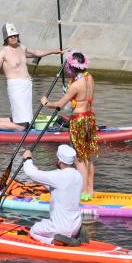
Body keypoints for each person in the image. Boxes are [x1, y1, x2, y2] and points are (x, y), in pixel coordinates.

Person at [0, 22, 65, 131]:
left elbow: (36, 52)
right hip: (16, 87)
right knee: (21, 127)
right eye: (10, 36)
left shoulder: (22, 48)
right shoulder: (3, 52)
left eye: (15, 35)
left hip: (27, 86)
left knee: (26, 120)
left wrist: (53, 51)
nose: (13, 37)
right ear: (6, 38)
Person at [40, 50, 99, 201]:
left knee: (79, 159)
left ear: (72, 68)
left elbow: (59, 105)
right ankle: (91, 190)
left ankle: (83, 192)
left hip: (78, 121)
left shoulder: (76, 85)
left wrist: (46, 103)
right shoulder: (89, 78)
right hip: (89, 118)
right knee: (87, 157)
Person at [22, 145, 83, 246]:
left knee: (33, 230)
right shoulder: (78, 175)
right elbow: (58, 187)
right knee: (61, 225)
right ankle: (76, 235)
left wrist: (27, 158)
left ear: (59, 161)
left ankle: (54, 241)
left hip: (60, 228)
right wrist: (40, 178)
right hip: (76, 225)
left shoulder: (57, 176)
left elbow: (30, 172)